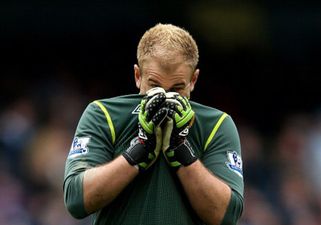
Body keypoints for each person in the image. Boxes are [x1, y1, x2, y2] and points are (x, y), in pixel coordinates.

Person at [63, 23, 244, 225]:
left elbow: (227, 215)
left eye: (177, 88)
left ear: (193, 79)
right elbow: (76, 200)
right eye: (155, 86)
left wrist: (182, 152)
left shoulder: (217, 124)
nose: (165, 97)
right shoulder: (104, 114)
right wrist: (138, 151)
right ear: (137, 76)